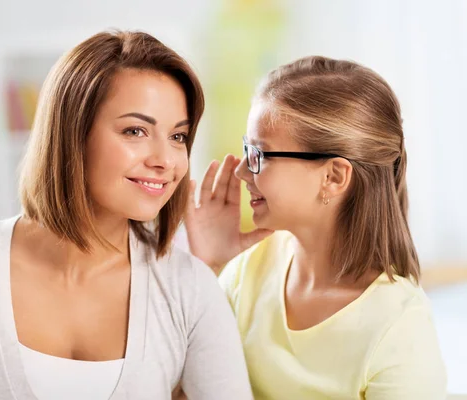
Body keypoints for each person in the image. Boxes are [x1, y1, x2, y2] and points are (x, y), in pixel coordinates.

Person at [0, 30, 252, 400]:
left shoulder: (190, 289)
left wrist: (219, 270)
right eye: (135, 131)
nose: (165, 160)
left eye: (178, 137)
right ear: (71, 133)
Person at [185, 56, 447, 399]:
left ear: (333, 176)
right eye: (247, 150)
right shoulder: (247, 271)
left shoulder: (399, 330)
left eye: (259, 155)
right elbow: (181, 389)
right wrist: (209, 266)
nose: (242, 173)